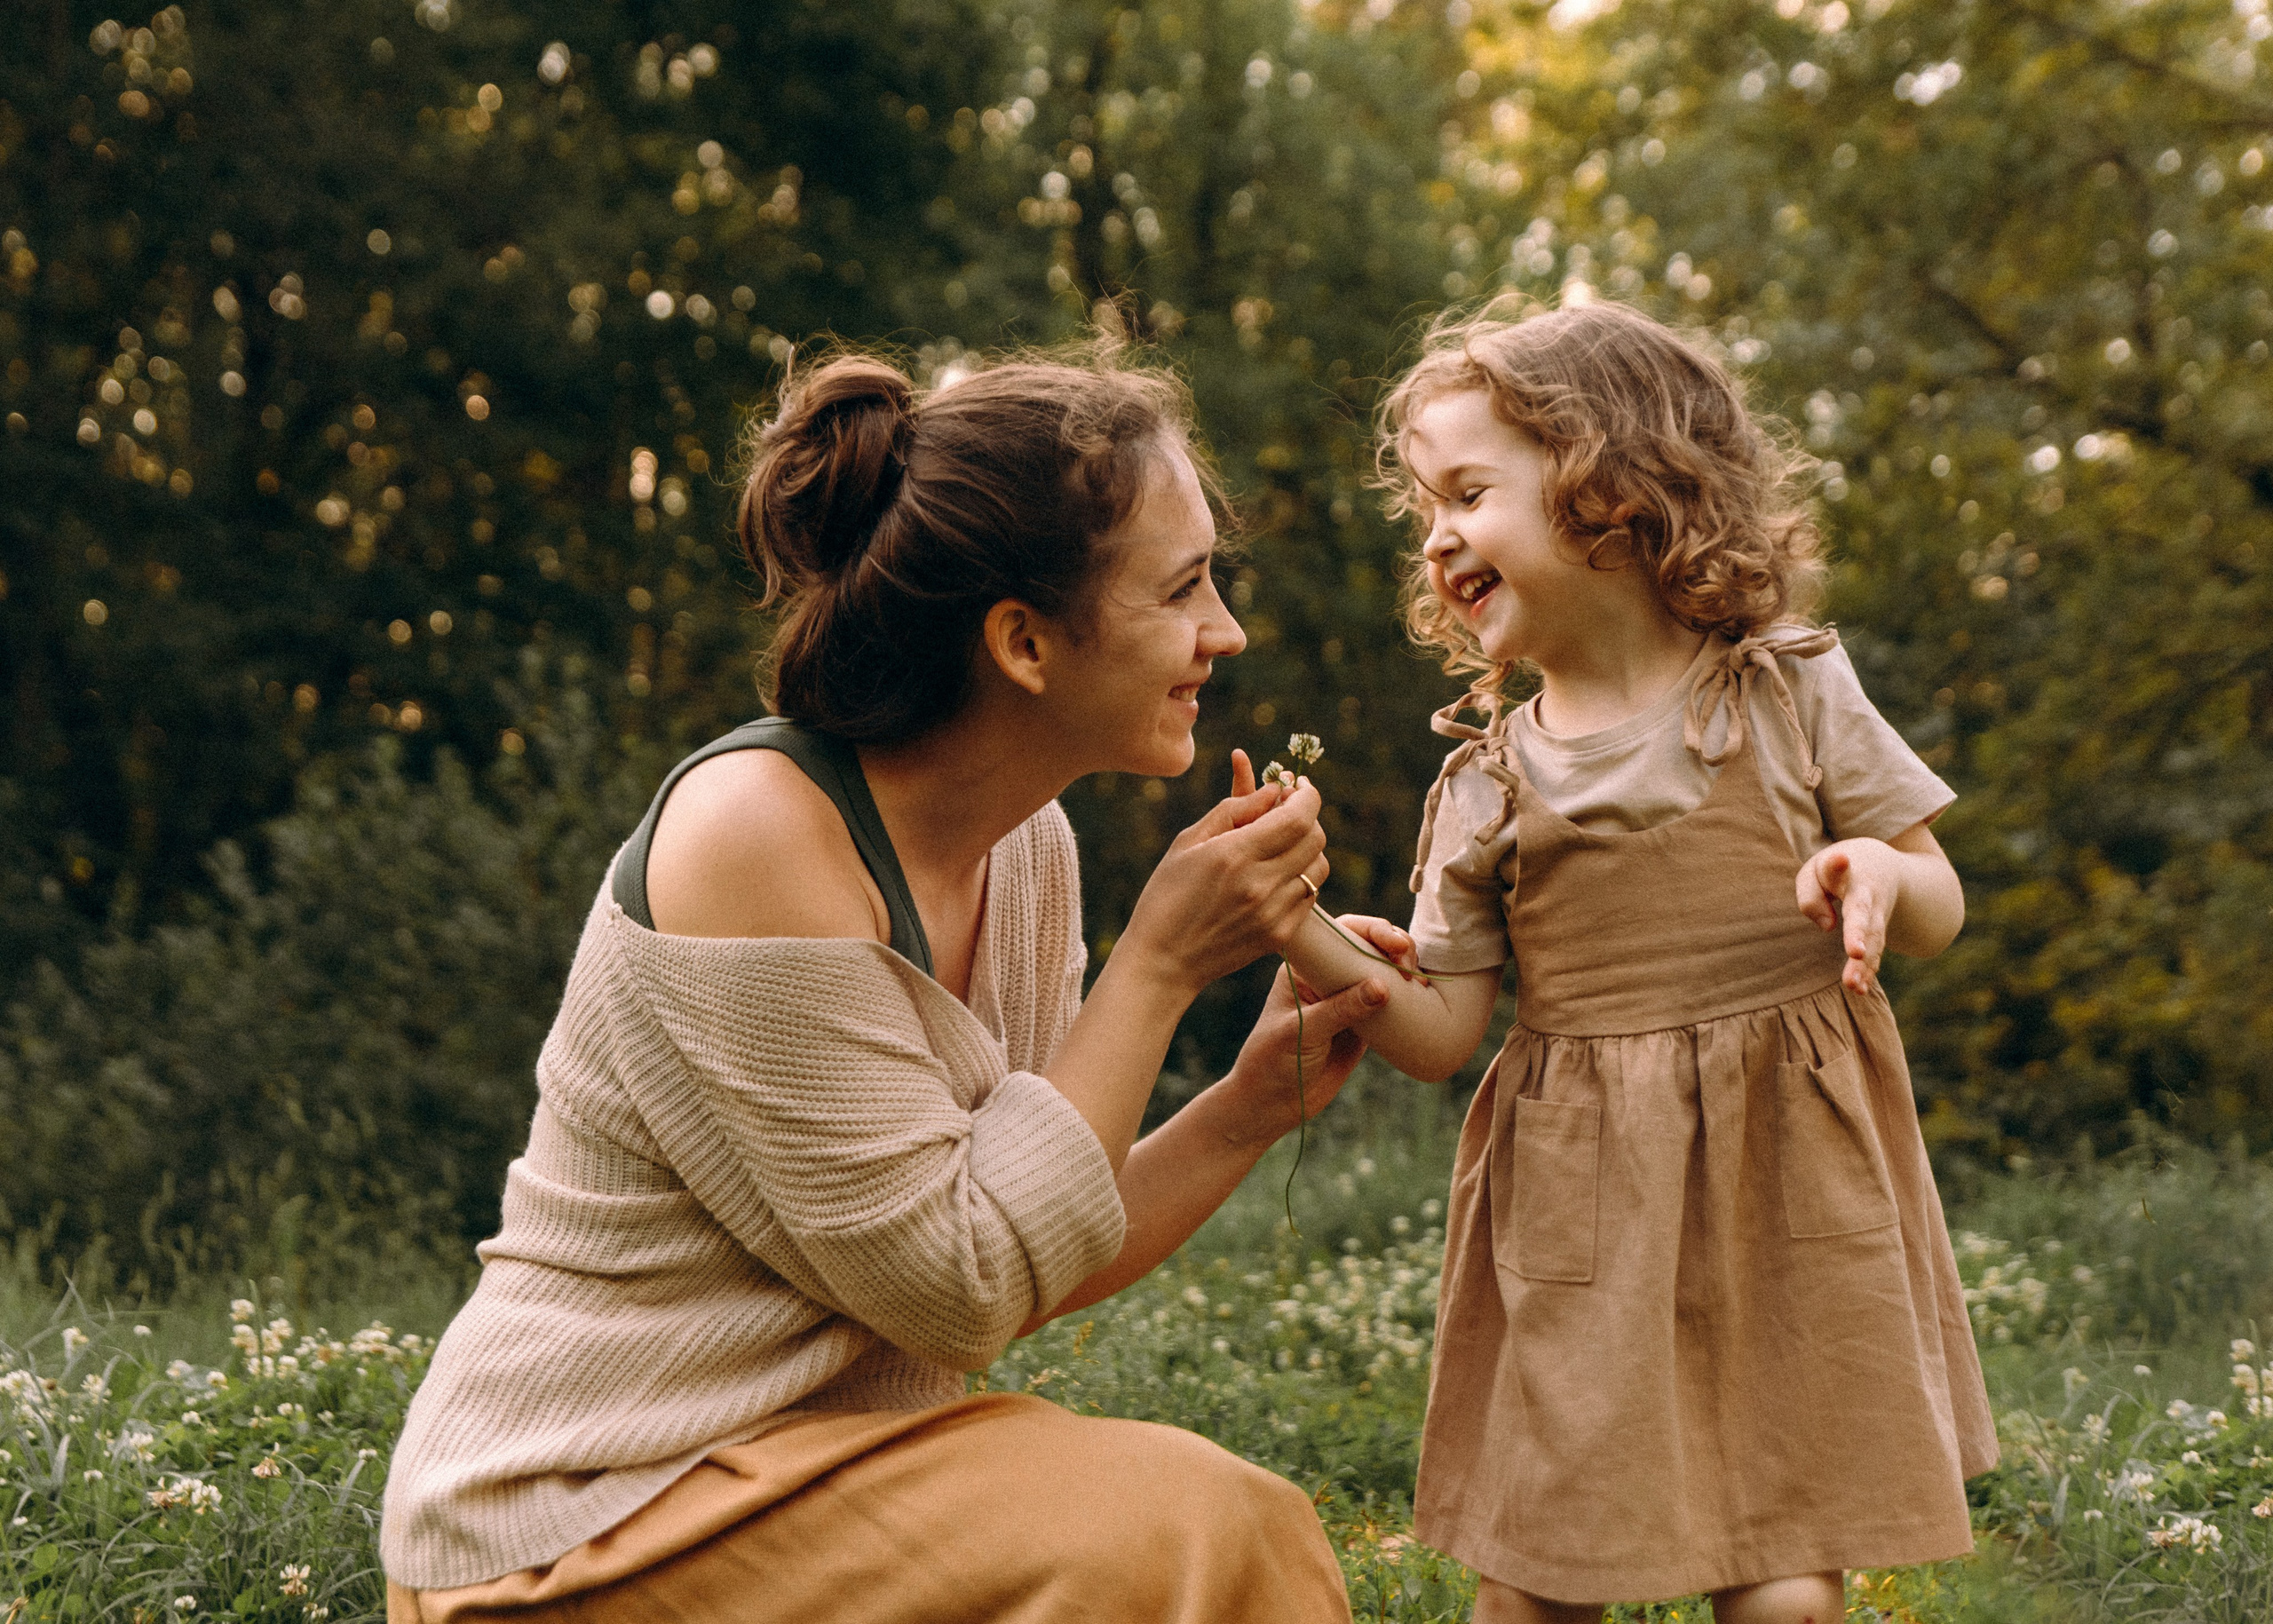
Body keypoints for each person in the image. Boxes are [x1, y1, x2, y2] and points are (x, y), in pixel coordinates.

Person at [379, 345, 1390, 1622]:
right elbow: (960, 1287)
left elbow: (1022, 1243)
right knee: (1201, 1530)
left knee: (1218, 1527)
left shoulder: (1028, 849)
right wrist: (1163, 961)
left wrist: (1249, 1105)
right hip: (581, 1518)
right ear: (1024, 642)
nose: (1225, 632)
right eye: (1184, 587)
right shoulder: (755, 838)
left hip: (808, 1468)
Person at [1279, 297, 1997, 1623]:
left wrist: (1882, 874)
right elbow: (1439, 1036)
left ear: (1611, 487)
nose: (1435, 536)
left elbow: (1939, 897)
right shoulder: (1488, 783)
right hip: (1583, 1206)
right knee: (1541, 1581)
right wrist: (1298, 929)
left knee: (1786, 1585)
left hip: (1791, 1183)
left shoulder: (1788, 691)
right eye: (1425, 511)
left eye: (1468, 493)